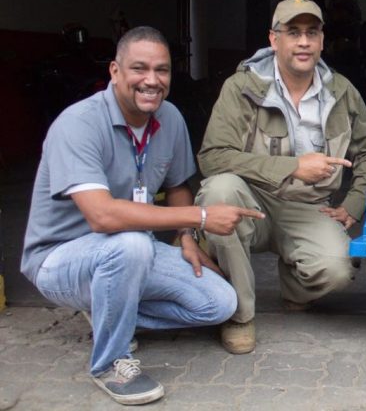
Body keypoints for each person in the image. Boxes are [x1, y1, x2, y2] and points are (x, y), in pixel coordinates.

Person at [20, 26, 262, 406]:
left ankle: (108, 311)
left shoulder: (170, 118)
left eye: (162, 70)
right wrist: (200, 217)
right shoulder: (79, 123)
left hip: (133, 255)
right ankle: (110, 362)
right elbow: (101, 217)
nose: (152, 81)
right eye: (139, 69)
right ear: (115, 71)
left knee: (219, 304)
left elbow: (178, 184)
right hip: (61, 260)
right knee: (130, 243)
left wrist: (185, 237)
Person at [196, 0, 366, 354]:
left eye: (312, 33)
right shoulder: (242, 88)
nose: (303, 42)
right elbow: (212, 158)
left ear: (322, 41)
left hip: (308, 206)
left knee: (337, 270)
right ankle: (239, 314)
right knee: (219, 190)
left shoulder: (341, 91)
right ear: (273, 39)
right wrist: (292, 166)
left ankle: (295, 287)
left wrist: (354, 205)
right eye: (293, 32)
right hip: (250, 200)